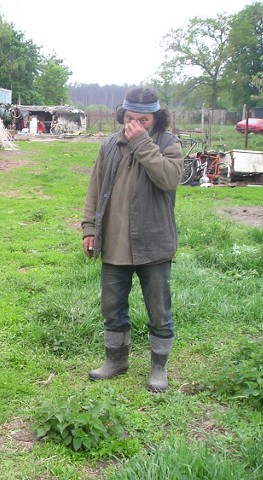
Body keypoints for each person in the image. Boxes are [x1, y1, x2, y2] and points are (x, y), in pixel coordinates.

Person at [81, 87, 183, 393]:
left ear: (157, 118)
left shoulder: (170, 144)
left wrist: (141, 142)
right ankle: (116, 360)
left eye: (143, 120)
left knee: (159, 311)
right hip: (114, 244)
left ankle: (159, 367)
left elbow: (168, 178)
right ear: (121, 114)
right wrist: (88, 229)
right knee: (112, 308)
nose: (134, 124)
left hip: (154, 244)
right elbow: (94, 189)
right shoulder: (109, 144)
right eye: (129, 117)